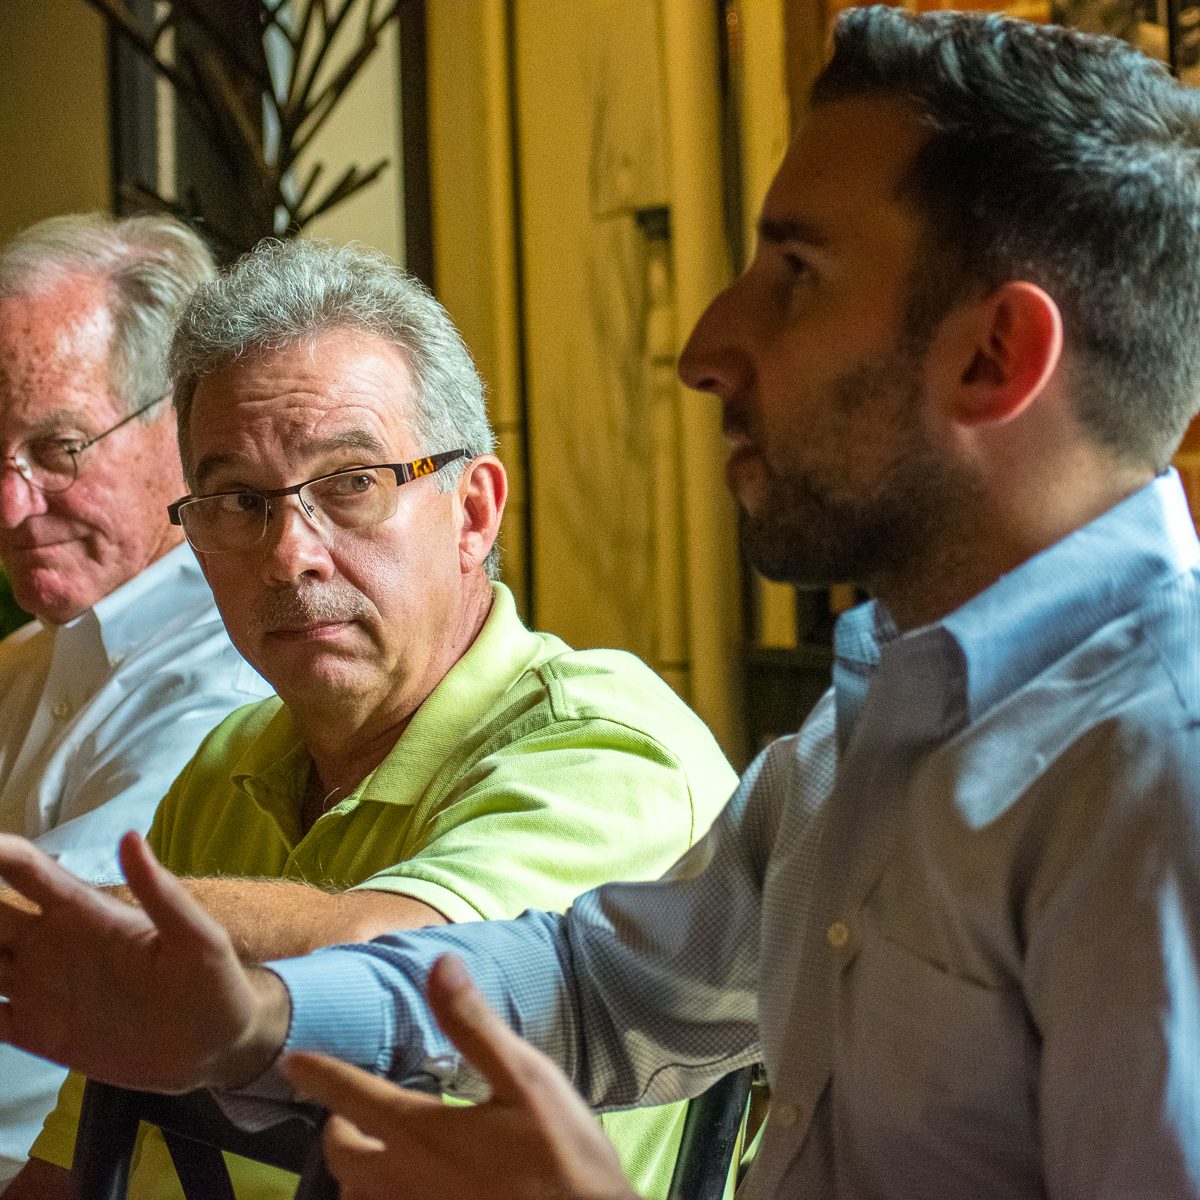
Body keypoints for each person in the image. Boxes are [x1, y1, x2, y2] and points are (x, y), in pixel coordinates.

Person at [2, 7, 1199, 1197]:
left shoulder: (1160, 776)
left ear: (993, 357)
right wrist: (258, 1019)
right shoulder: (882, 712)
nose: (705, 345)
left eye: (794, 275)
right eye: (237, 503)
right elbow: (598, 984)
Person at [4, 237, 738, 1200]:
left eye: (350, 483)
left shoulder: (609, 748)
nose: (290, 555)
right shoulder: (230, 762)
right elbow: (69, 1168)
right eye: (237, 501)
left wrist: (105, 913)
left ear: (472, 512)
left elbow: (409, 961)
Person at [0, 214, 270, 1185]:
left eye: (56, 447)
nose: (10, 505)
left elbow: (52, 941)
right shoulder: (27, 661)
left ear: (183, 423)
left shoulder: (240, 677)